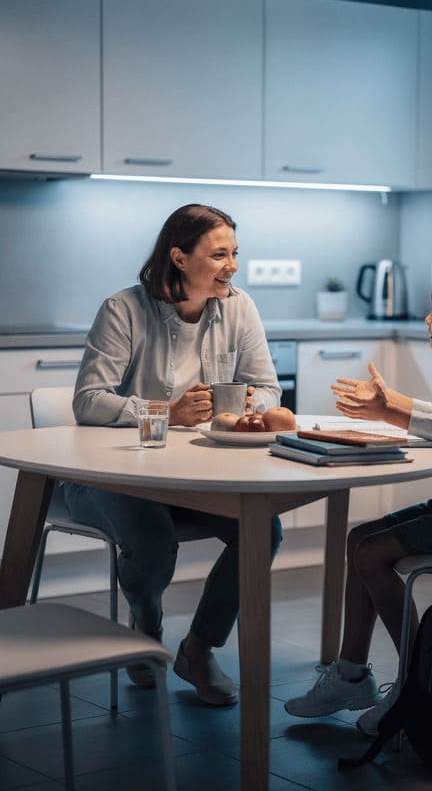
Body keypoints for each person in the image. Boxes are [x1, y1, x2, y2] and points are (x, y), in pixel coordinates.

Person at [284, 270, 432, 736]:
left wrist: (389, 411)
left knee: (371, 551)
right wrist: (390, 401)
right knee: (360, 540)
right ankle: (352, 675)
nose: (427, 318)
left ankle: (419, 682)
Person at [65, 203, 283, 706]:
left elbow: (269, 387)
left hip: (196, 475)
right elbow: (88, 402)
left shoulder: (240, 307)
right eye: (219, 254)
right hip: (113, 477)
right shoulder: (123, 309)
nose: (232, 265)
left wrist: (255, 403)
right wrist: (166, 413)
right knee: (151, 536)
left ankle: (200, 648)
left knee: (261, 530)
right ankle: (147, 629)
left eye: (235, 253)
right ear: (179, 257)